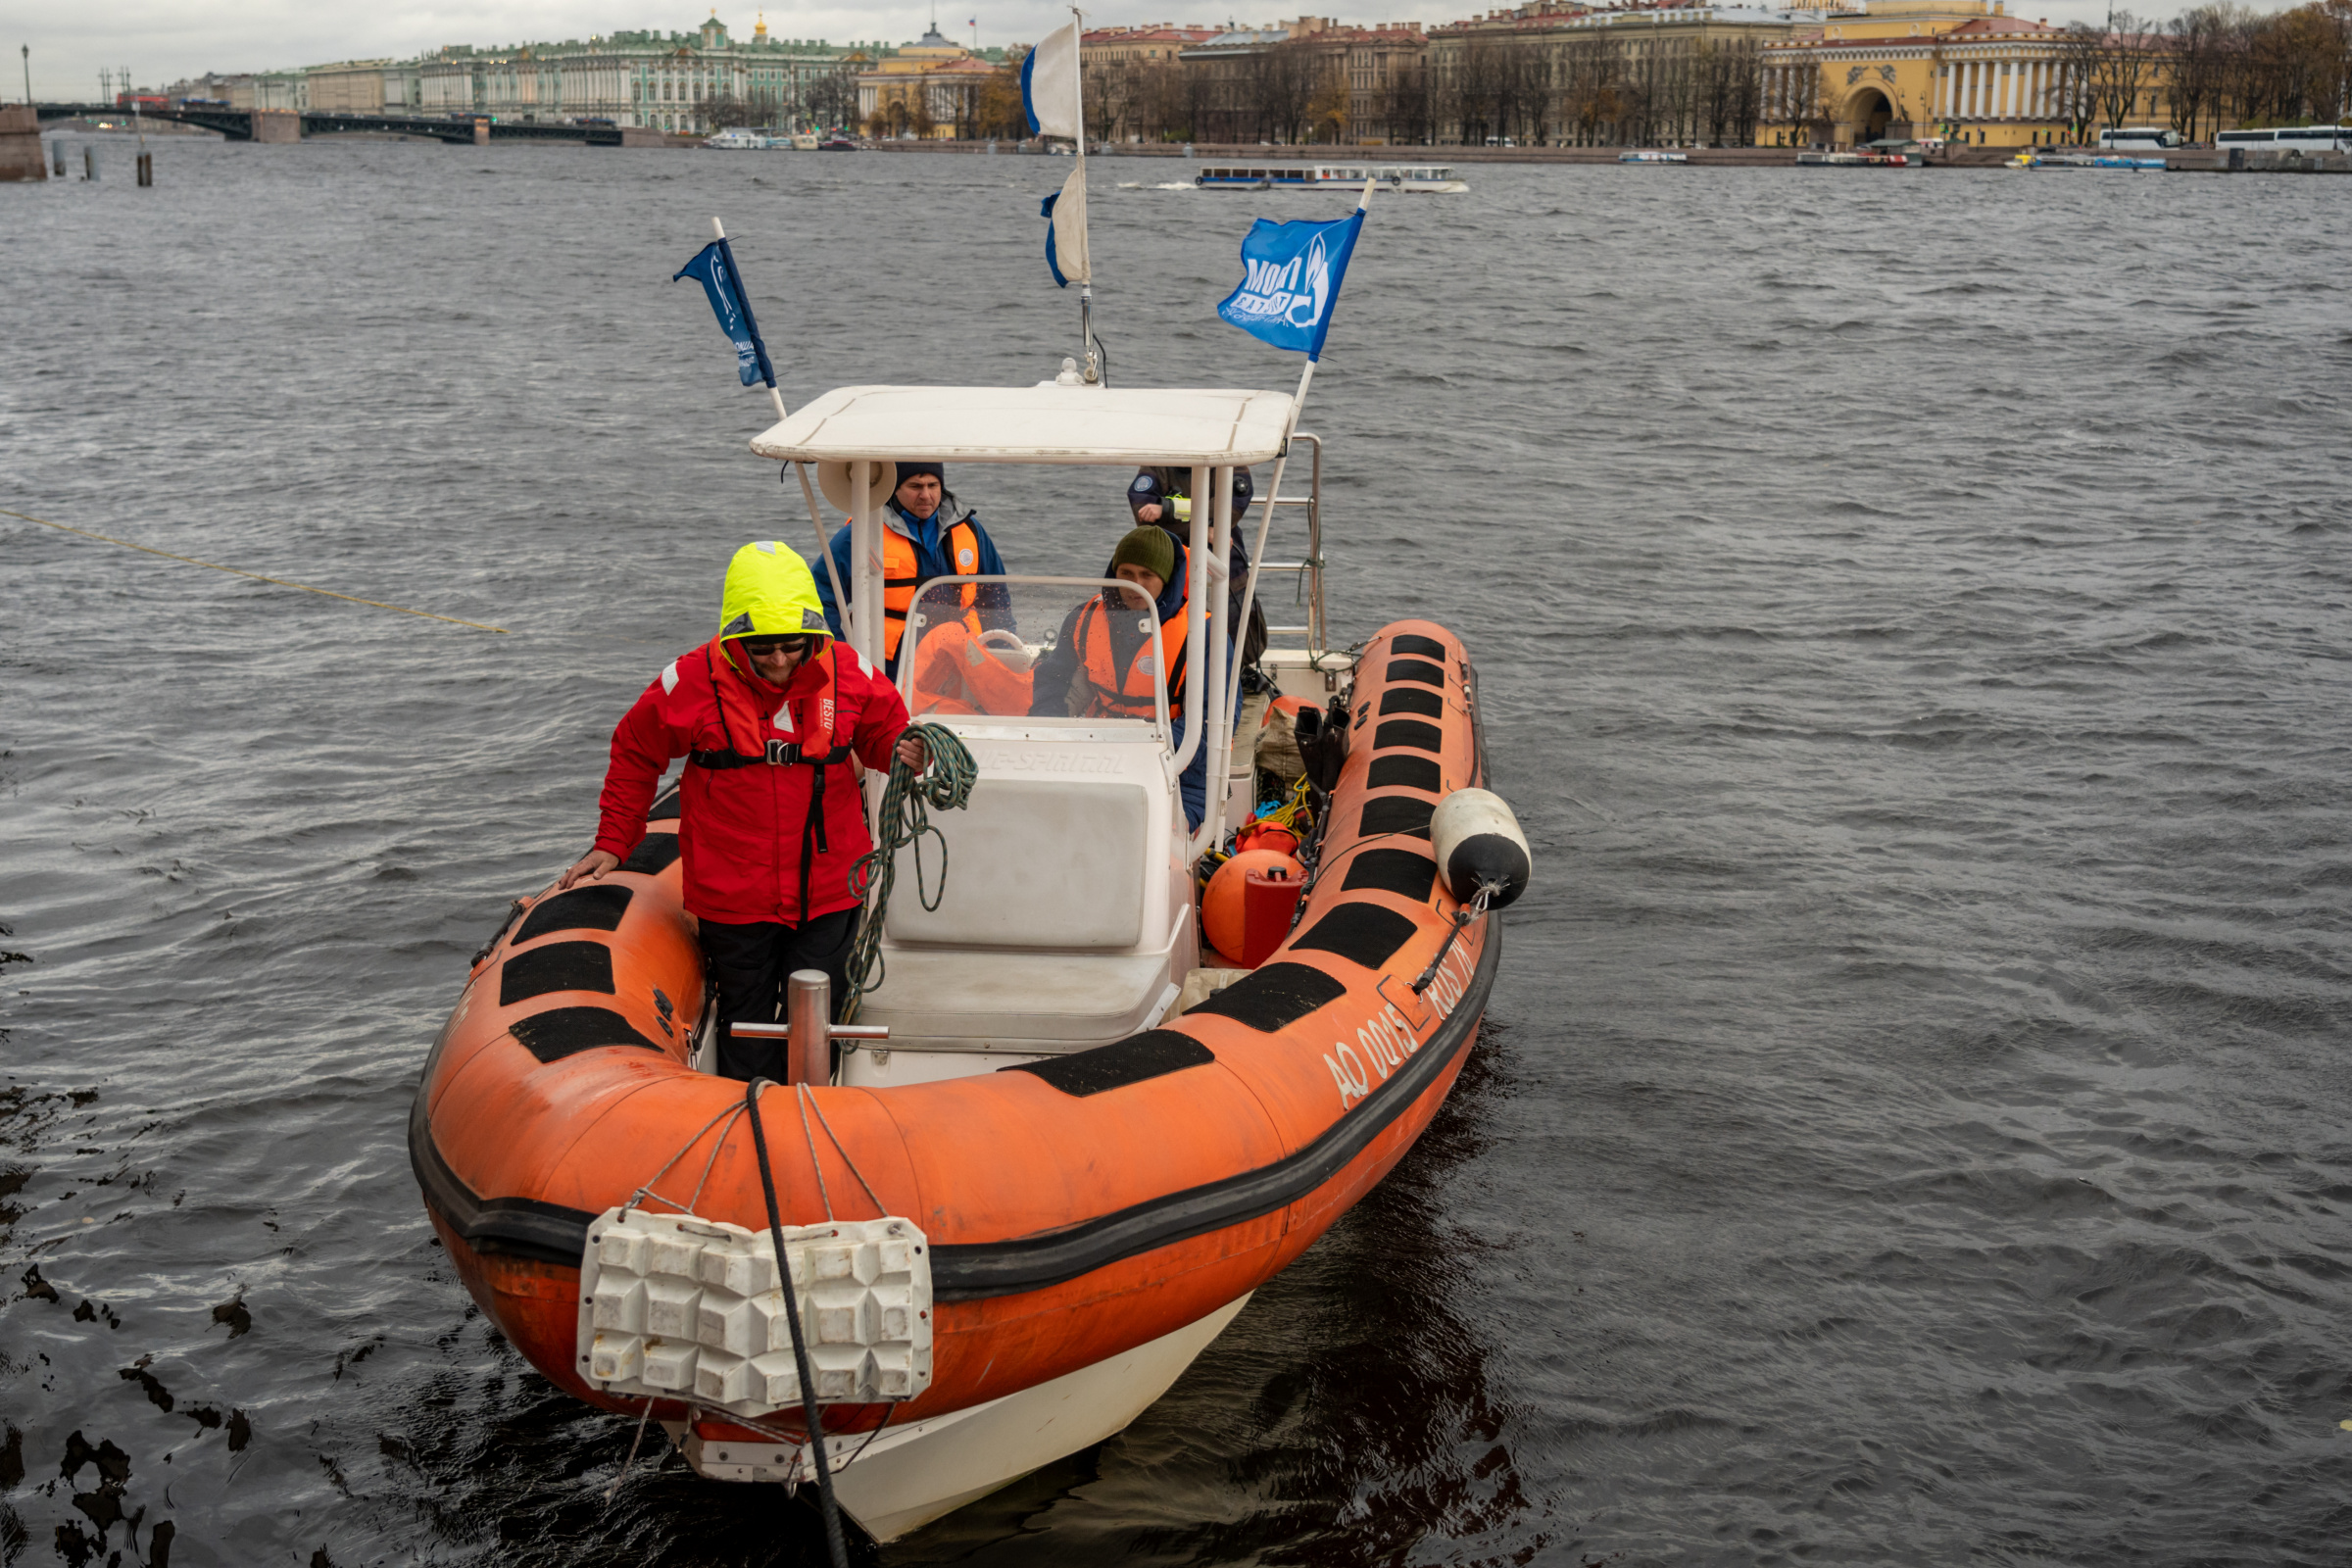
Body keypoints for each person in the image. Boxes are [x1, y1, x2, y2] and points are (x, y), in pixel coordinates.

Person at [560, 541, 927, 1084]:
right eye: (761, 648)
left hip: (829, 890)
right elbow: (636, 748)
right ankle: (748, 1117)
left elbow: (883, 736)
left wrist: (907, 753)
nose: (779, 661)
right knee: (745, 1020)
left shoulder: (850, 674)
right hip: (734, 899)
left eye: (791, 645)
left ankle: (817, 1111)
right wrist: (614, 842)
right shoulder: (689, 683)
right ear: (735, 639)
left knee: (826, 1016)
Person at [1029, 525, 1213, 831]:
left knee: (1138, 829)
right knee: (1046, 816)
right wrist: (1050, 732)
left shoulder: (1203, 634)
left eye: (1146, 575)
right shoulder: (1084, 618)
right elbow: (1052, 681)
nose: (1135, 585)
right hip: (1097, 753)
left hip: (1180, 774)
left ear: (1166, 579)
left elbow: (1212, 721)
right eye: (1126, 573)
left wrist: (1147, 751)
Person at [814, 461, 1012, 678]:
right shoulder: (861, 533)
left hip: (963, 659)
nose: (926, 495)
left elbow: (996, 597)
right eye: (915, 486)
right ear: (895, 488)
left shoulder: (971, 531)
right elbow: (820, 596)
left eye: (933, 485)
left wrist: (1003, 647)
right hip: (887, 666)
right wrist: (839, 653)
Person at [1126, 465, 1268, 683]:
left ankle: (1230, 684)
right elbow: (1144, 512)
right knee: (1166, 634)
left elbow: (1230, 507)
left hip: (1225, 566)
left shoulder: (1232, 461)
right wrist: (1203, 530)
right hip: (1170, 568)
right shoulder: (1158, 463)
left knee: (1238, 638)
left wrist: (1168, 509)